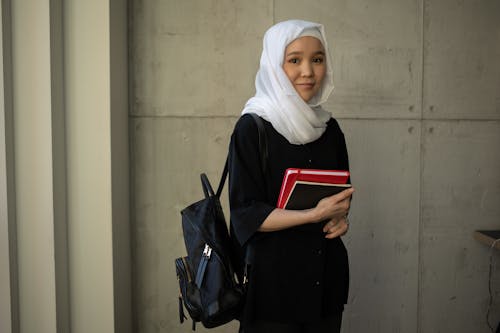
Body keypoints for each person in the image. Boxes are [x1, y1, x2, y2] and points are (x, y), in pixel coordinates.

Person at [228, 19, 354, 333]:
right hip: (272, 291)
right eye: (294, 60)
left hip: (325, 284)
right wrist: (314, 213)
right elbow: (246, 214)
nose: (308, 71)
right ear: (273, 64)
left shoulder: (330, 130)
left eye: (318, 59)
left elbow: (340, 198)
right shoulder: (252, 127)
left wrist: (338, 219)